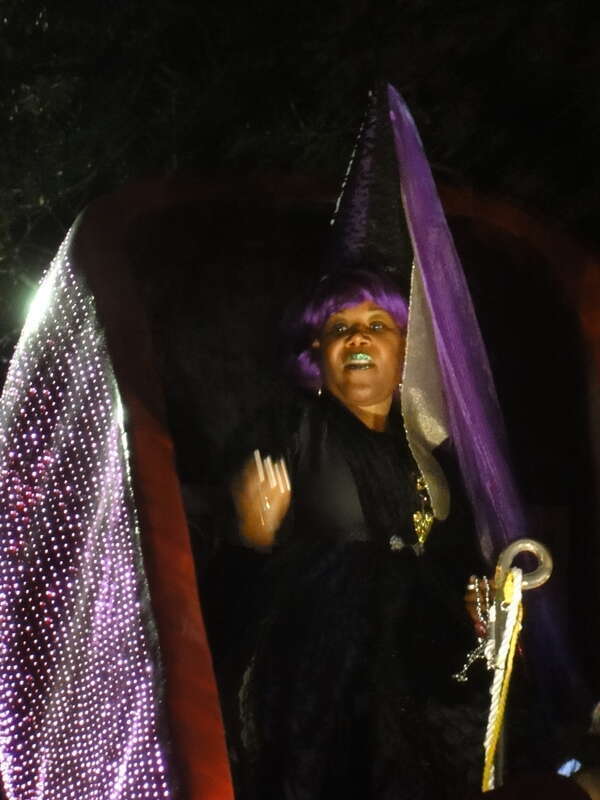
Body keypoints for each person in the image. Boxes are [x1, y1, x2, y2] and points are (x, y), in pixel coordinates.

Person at [226, 268, 489, 800]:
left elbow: (459, 557)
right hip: (325, 667)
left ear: (405, 356)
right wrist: (253, 534)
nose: (358, 337)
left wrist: (475, 601)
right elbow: (234, 572)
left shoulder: (434, 454)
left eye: (377, 324)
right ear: (318, 354)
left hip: (427, 654)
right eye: (339, 327)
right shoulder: (292, 427)